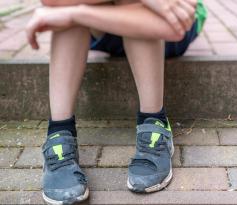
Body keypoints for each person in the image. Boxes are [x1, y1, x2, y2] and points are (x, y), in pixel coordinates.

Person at [25, 0, 207, 204]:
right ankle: (59, 132)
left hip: (166, 26)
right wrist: (75, 13)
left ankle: (154, 121)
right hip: (104, 24)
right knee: (67, 6)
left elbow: (171, 27)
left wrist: (73, 13)